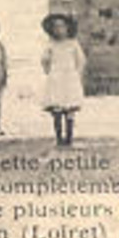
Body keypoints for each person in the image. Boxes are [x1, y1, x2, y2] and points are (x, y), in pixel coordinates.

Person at [40, 12, 84, 146]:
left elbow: (80, 60)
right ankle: (59, 137)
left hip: (69, 78)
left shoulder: (73, 44)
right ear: (51, 29)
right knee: (57, 108)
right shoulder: (51, 44)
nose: (59, 30)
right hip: (56, 78)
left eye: (62, 26)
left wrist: (77, 74)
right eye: (56, 27)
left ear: (68, 28)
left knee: (70, 108)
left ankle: (69, 138)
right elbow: (44, 60)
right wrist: (48, 72)